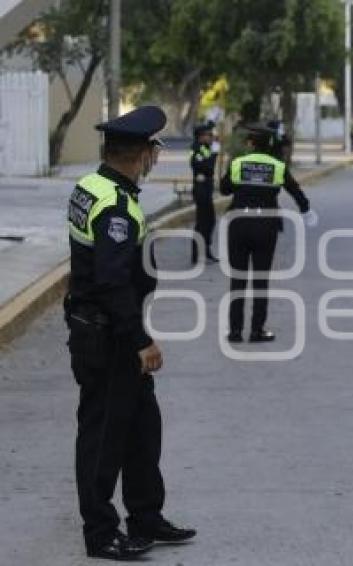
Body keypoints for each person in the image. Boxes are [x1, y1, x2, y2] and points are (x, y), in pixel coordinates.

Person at [64, 106, 196, 561]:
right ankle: (101, 532)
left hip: (104, 327)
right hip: (109, 335)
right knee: (103, 435)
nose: (154, 156)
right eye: (153, 149)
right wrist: (140, 340)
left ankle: (145, 515)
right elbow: (111, 280)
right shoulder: (115, 205)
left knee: (143, 427)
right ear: (141, 153)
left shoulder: (92, 186)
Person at [220, 123, 317, 343]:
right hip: (266, 225)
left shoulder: (239, 163)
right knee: (260, 280)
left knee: (238, 279)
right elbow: (295, 191)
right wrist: (306, 210)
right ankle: (257, 331)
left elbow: (224, 189)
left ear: (252, 144)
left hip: (239, 224)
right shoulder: (277, 166)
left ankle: (235, 331)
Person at [190, 122, 219, 264]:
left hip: (207, 188)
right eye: (209, 135)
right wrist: (213, 155)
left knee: (210, 220)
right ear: (201, 136)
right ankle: (196, 254)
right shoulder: (196, 150)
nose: (211, 137)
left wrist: (213, 154)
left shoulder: (205, 148)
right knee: (202, 222)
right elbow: (207, 168)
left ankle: (206, 250)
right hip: (200, 189)